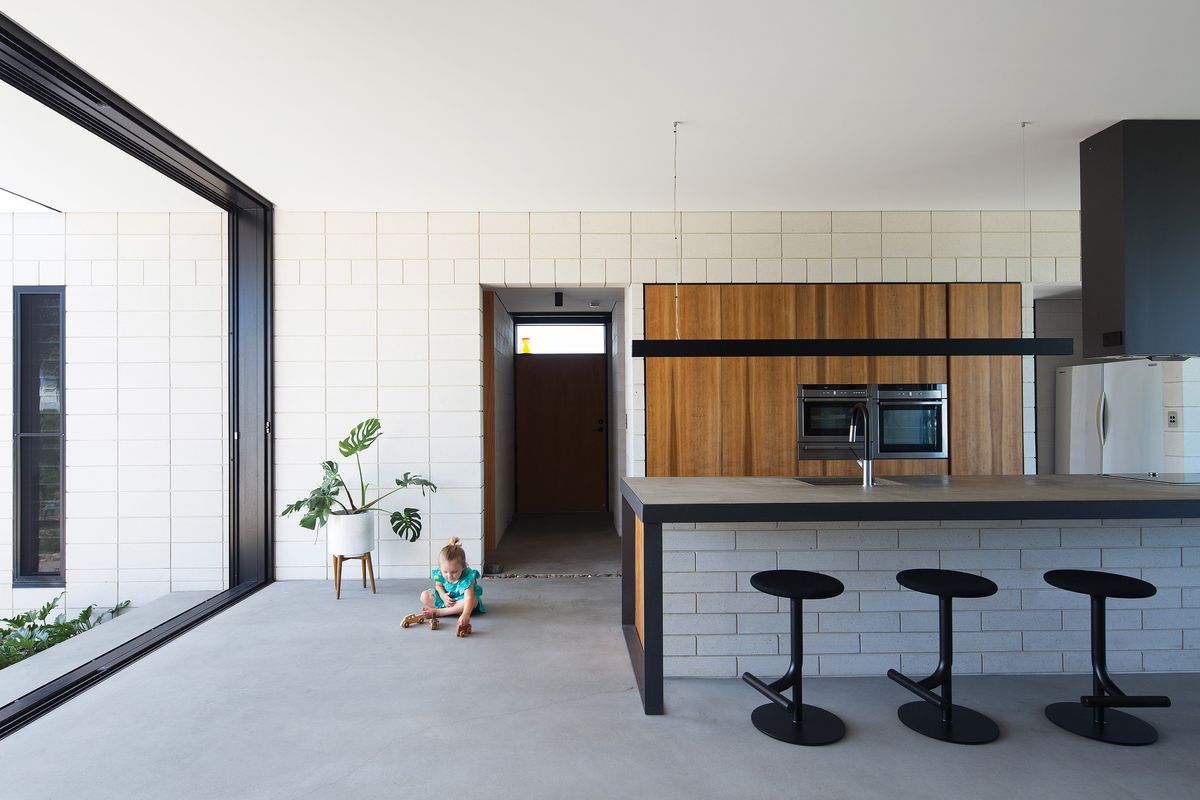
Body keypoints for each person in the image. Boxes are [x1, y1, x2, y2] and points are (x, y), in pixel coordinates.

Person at [402, 537, 485, 636]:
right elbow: (438, 585)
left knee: (472, 601)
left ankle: (440, 612)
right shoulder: (441, 574)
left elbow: (469, 597)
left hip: (461, 600)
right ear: (440, 567)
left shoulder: (468, 577)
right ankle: (454, 610)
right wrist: (443, 596)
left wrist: (466, 615)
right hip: (447, 600)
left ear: (463, 566)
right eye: (445, 572)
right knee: (424, 596)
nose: (449, 576)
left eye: (454, 572)